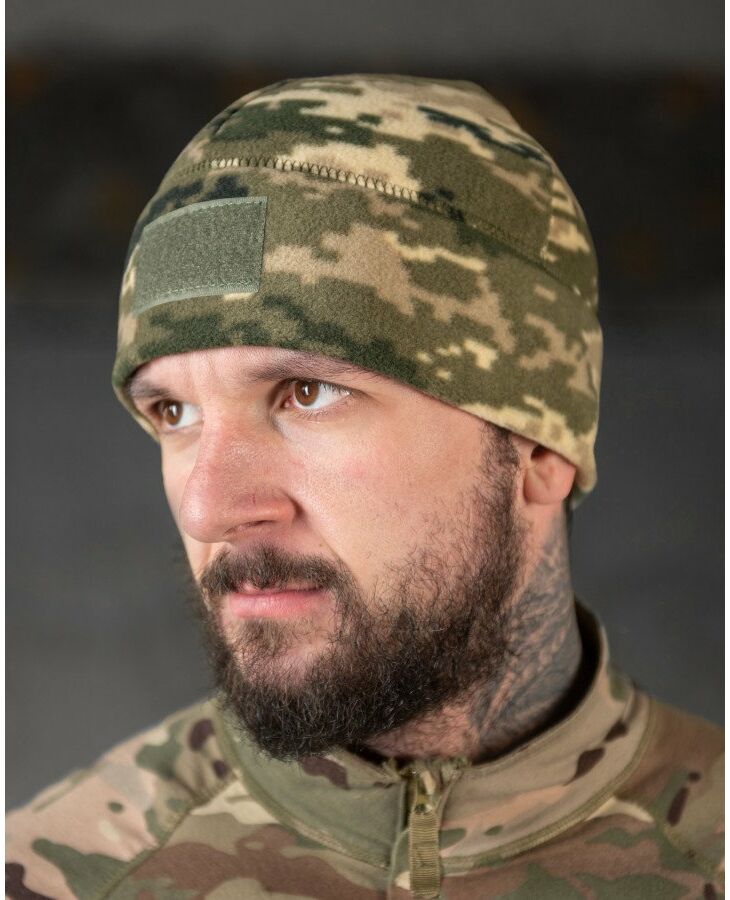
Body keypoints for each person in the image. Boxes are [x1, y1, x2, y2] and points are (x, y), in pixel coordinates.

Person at [6, 73, 723, 900]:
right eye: (174, 412)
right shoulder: (55, 876)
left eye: (307, 393)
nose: (208, 508)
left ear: (539, 446)